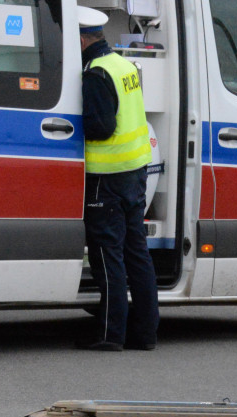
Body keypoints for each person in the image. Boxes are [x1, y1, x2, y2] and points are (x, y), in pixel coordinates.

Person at [78, 7, 159, 351]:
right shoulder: (123, 65)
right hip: (135, 171)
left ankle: (111, 335)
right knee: (136, 252)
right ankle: (145, 334)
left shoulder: (96, 73)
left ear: (83, 38)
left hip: (106, 177)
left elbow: (101, 127)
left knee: (107, 255)